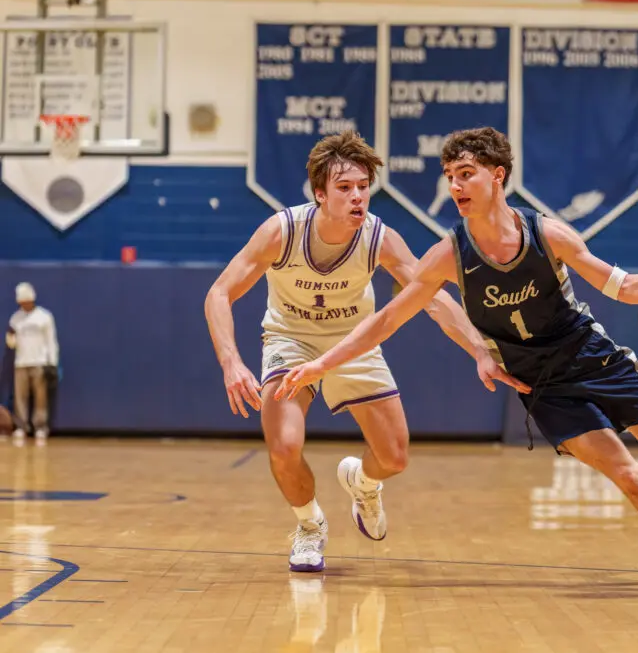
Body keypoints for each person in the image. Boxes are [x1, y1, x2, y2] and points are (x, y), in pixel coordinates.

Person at [275, 127, 638, 595]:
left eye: (466, 174)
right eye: (449, 175)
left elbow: (621, 285)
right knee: (629, 476)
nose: (455, 186)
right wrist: (322, 364)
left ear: (497, 176)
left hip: (590, 356)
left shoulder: (547, 234)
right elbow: (386, 320)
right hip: (541, 386)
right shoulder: (448, 255)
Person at [204, 130, 525, 573]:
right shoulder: (282, 231)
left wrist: (478, 348)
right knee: (284, 444)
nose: (358, 197)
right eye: (344, 188)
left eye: (362, 188)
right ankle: (310, 526)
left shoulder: (379, 238)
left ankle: (364, 483)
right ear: (320, 193)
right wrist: (231, 361)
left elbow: (432, 297)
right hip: (291, 341)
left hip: (355, 343)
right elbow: (219, 293)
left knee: (395, 457)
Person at [6, 282, 59, 444]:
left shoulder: (44, 317)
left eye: (26, 300)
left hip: (39, 362)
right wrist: (10, 336)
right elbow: (11, 344)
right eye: (21, 301)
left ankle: (40, 427)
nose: (24, 303)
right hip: (21, 363)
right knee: (20, 397)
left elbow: (51, 340)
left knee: (40, 397)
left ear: (32, 299)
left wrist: (52, 362)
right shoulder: (16, 318)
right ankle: (21, 426)